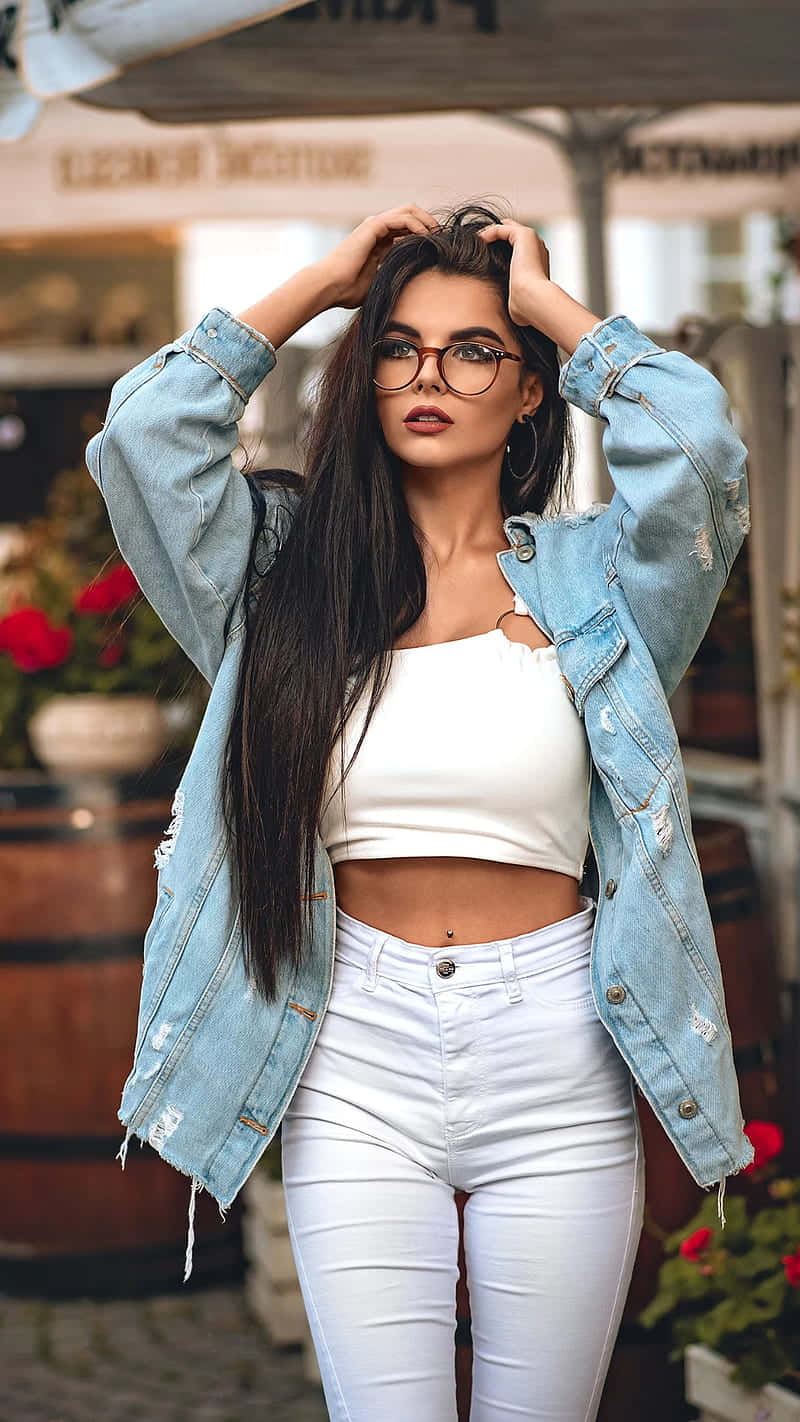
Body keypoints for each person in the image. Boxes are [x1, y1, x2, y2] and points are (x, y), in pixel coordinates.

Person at [86, 200, 755, 1422]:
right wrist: (324, 283)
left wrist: (551, 305)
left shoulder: (603, 584)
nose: (425, 376)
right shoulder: (276, 576)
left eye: (471, 350)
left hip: (559, 1043)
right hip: (351, 1042)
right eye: (395, 347)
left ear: (532, 393)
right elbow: (141, 438)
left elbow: (703, 451)